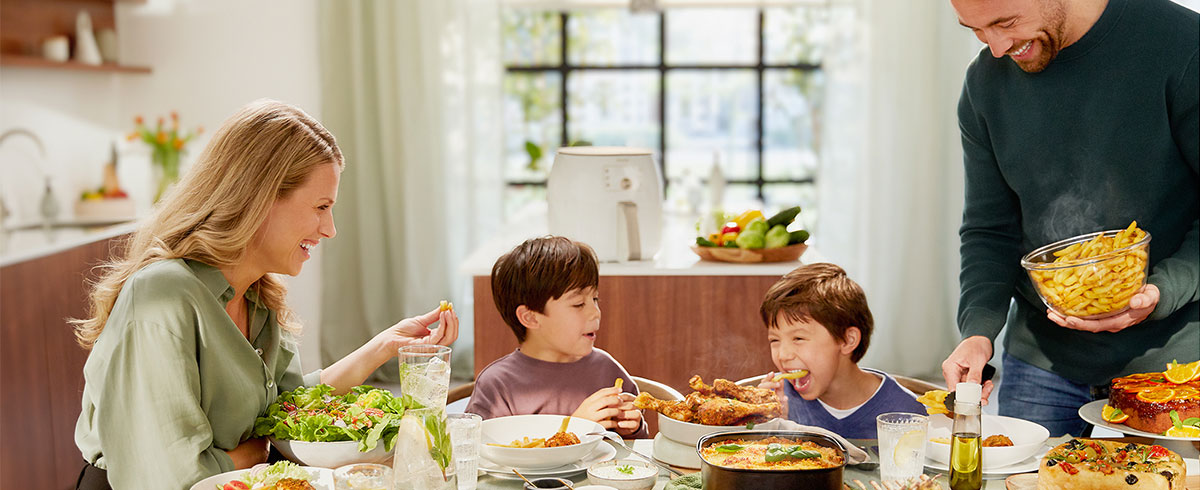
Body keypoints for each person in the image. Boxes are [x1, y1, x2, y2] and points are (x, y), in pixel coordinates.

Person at [71, 100, 460, 489]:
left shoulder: (258, 297)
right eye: (321, 206)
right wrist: (256, 452)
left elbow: (287, 406)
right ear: (260, 198)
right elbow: (171, 477)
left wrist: (381, 348)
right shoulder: (163, 296)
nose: (330, 229)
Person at [942, 0, 1198, 436]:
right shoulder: (985, 83)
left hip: (1173, 362)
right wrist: (978, 330)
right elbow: (989, 229)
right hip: (1041, 363)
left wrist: (1161, 290)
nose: (998, 48)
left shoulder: (1182, 46)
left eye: (1005, 23)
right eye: (977, 30)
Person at [466, 236, 647, 437]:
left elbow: (635, 454)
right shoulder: (498, 385)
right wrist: (573, 431)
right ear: (531, 318)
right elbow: (486, 456)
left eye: (595, 299)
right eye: (579, 303)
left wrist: (632, 428)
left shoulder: (608, 370)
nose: (595, 312)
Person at [756, 263, 925, 439]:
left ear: (847, 340)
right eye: (774, 340)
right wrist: (772, 424)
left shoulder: (906, 412)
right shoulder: (780, 401)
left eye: (798, 339)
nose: (783, 355)